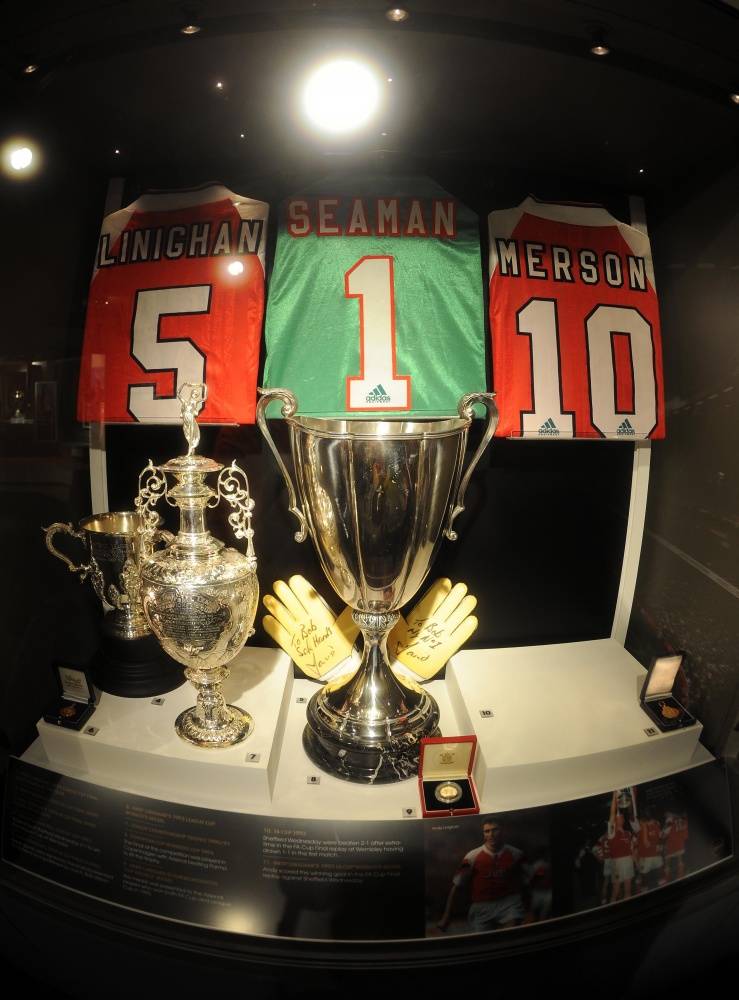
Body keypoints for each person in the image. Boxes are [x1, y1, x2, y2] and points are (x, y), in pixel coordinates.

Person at [437, 817, 529, 933]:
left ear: (503, 830)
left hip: (509, 903)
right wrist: (446, 917)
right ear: (483, 833)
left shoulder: (516, 854)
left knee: (509, 935)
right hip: (481, 906)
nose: (491, 835)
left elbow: (528, 881)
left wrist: (526, 904)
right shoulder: (471, 857)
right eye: (487, 831)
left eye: (495, 830)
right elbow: (457, 886)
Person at [606, 789, 639, 902]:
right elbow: (612, 813)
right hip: (617, 864)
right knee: (616, 891)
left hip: (628, 861)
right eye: (618, 817)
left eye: (621, 816)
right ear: (615, 821)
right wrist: (614, 795)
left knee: (628, 889)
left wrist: (636, 863)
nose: (620, 817)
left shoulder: (628, 833)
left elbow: (632, 851)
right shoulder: (612, 833)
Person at [662, 809, 689, 883]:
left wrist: (662, 834)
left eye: (667, 813)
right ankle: (680, 876)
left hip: (671, 844)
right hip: (680, 843)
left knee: (667, 862)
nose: (665, 815)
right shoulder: (683, 819)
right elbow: (685, 834)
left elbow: (664, 835)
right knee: (680, 860)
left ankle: (667, 879)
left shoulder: (670, 820)